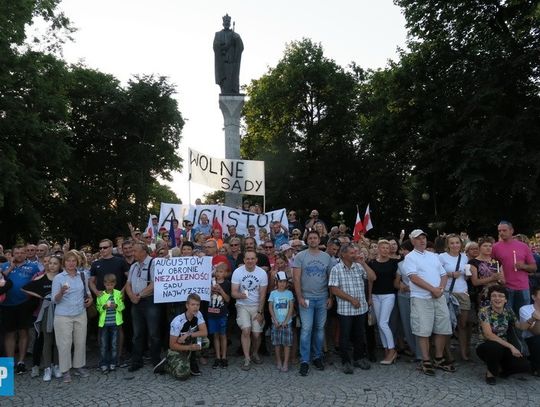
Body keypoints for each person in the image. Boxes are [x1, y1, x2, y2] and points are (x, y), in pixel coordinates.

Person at [402, 229, 454, 376]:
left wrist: (440, 289)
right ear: (412, 241)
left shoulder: (433, 256)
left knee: (442, 327)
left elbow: (443, 274)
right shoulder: (410, 257)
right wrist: (432, 289)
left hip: (438, 296)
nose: (422, 240)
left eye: (423, 238)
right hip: (421, 297)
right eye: (418, 238)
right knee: (423, 330)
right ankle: (425, 359)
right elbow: (414, 277)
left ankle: (438, 357)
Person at [329, 243, 376, 373]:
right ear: (343, 254)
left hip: (361, 309)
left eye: (355, 252)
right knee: (344, 336)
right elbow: (334, 289)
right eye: (352, 253)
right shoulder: (336, 269)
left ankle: (358, 358)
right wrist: (351, 299)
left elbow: (372, 278)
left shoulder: (359, 267)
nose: (355, 255)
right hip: (345, 310)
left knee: (359, 334)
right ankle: (346, 361)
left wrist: (364, 264)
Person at [293, 230, 333, 376]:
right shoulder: (300, 256)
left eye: (315, 238)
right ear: (307, 240)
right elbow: (296, 278)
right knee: (306, 329)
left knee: (320, 329)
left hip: (322, 297)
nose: (313, 240)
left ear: (319, 240)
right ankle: (304, 360)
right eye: (310, 238)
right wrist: (300, 298)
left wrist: (331, 297)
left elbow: (331, 279)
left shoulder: (326, 257)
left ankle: (317, 356)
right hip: (306, 298)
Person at [51, 250, 93, 383]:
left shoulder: (82, 275)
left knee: (80, 342)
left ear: (77, 262)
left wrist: (90, 299)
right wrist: (61, 292)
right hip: (63, 315)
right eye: (68, 261)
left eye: (73, 261)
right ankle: (65, 371)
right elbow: (54, 300)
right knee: (64, 344)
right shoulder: (59, 278)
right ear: (64, 263)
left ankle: (79, 366)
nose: (71, 263)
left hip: (80, 313)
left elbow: (87, 292)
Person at [476, 285, 531, 385]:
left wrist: (532, 319)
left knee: (524, 365)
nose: (497, 298)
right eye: (494, 296)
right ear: (490, 299)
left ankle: (502, 370)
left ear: (505, 300)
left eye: (501, 296)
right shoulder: (484, 312)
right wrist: (511, 347)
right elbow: (489, 335)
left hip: (503, 346)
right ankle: (490, 373)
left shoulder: (508, 311)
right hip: (485, 345)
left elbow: (521, 327)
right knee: (494, 346)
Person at [0, 244, 41, 374]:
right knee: (9, 333)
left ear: (25, 253)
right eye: (16, 253)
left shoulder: (33, 267)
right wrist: (10, 268)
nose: (19, 255)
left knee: (23, 332)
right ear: (12, 254)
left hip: (25, 303)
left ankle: (21, 362)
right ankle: (10, 362)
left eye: (22, 252)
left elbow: (38, 281)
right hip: (6, 304)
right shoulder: (4, 266)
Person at [21, 255, 62, 381]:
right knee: (47, 340)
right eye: (50, 263)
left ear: (60, 265)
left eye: (55, 263)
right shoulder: (41, 278)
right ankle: (47, 368)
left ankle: (56, 365)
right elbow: (24, 288)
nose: (52, 266)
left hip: (61, 311)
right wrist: (41, 296)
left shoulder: (62, 277)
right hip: (46, 312)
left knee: (58, 341)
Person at [153, 293, 210, 379]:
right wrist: (189, 347)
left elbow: (204, 332)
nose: (195, 307)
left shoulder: (198, 314)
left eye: (197, 305)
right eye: (193, 304)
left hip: (188, 342)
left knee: (205, 341)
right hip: (177, 349)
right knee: (182, 374)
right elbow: (172, 345)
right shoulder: (177, 322)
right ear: (187, 305)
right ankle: (166, 364)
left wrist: (188, 334)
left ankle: (192, 359)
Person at [125, 242, 161, 372]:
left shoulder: (153, 263)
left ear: (144, 252)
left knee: (153, 333)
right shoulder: (134, 266)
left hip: (149, 301)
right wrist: (131, 296)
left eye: (135, 251)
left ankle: (156, 360)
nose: (132, 253)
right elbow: (128, 283)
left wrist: (139, 295)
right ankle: (137, 361)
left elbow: (155, 283)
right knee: (137, 334)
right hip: (136, 302)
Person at [231, 250, 268, 371]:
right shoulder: (237, 272)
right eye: (248, 259)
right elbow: (233, 292)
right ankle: (247, 358)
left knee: (257, 334)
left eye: (252, 259)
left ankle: (255, 353)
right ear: (244, 260)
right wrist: (241, 295)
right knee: (246, 330)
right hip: (242, 305)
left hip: (257, 305)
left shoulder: (262, 273)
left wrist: (260, 312)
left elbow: (263, 295)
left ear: (256, 260)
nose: (250, 261)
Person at [492, 221, 537, 315]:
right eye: (499, 231)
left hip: (522, 287)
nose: (501, 233)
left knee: (523, 315)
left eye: (504, 230)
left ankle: (521, 330)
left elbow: (534, 268)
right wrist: (498, 277)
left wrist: (523, 266)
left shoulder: (523, 246)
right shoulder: (495, 247)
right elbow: (493, 266)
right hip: (505, 287)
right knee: (506, 316)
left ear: (511, 231)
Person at [438, 234, 471, 361]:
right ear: (448, 245)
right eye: (452, 243)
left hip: (462, 292)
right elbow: (436, 272)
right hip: (448, 293)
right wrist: (450, 274)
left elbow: (466, 274)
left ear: (461, 244)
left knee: (462, 324)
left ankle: (463, 353)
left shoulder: (464, 257)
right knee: (448, 325)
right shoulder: (442, 257)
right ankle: (448, 353)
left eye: (457, 242)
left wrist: (467, 275)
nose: (455, 245)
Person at [368, 239, 399, 364]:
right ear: (379, 249)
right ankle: (386, 350)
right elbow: (370, 280)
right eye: (383, 248)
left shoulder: (394, 263)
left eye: (387, 248)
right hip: (375, 295)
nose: (385, 250)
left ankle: (392, 350)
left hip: (388, 295)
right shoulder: (372, 263)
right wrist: (369, 296)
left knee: (383, 322)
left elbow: (398, 278)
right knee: (380, 325)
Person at [395, 239, 422, 361]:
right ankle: (414, 351)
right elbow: (396, 282)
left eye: (405, 249)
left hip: (419, 295)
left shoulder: (422, 261)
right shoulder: (401, 264)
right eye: (402, 250)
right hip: (404, 296)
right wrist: (400, 285)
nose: (403, 252)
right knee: (407, 324)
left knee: (420, 324)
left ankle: (422, 352)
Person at [96, 273, 125, 374]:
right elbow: (98, 308)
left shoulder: (118, 294)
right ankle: (104, 363)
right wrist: (104, 307)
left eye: (111, 284)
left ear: (115, 284)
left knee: (114, 344)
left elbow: (122, 307)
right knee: (104, 344)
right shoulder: (101, 295)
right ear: (104, 284)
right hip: (104, 323)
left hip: (115, 323)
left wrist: (116, 305)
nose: (109, 286)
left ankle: (113, 362)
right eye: (107, 284)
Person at [268, 271, 294, 372]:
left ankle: (286, 362)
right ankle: (278, 360)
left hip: (287, 323)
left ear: (287, 283)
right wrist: (274, 320)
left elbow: (291, 308)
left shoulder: (289, 293)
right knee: (277, 344)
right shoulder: (273, 293)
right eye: (280, 281)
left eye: (284, 281)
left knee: (287, 344)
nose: (282, 284)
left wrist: (286, 321)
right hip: (276, 323)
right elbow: (270, 307)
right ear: (276, 282)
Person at [469, 236, 505, 307]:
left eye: (490, 246)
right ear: (479, 248)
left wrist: (501, 279)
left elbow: (503, 281)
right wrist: (492, 278)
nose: (488, 248)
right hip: (482, 294)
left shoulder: (497, 262)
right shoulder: (473, 262)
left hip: (497, 294)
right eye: (485, 246)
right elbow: (475, 282)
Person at [208, 262, 231, 369]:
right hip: (211, 313)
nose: (218, 274)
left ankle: (224, 357)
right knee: (215, 335)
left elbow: (228, 299)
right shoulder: (210, 283)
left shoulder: (227, 284)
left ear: (225, 273)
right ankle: (217, 357)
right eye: (217, 271)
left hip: (222, 313)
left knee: (223, 335)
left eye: (221, 272)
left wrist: (221, 290)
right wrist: (210, 291)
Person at [213, 14, 244, 94]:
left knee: (233, 81)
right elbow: (215, 47)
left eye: (228, 21)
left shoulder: (235, 35)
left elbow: (241, 47)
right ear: (223, 23)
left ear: (230, 23)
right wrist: (223, 46)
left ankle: (234, 91)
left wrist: (237, 40)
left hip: (232, 63)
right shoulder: (218, 34)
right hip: (223, 64)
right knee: (225, 85)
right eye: (225, 21)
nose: (227, 23)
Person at [519, 286, 540, 376]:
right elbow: (535, 332)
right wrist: (537, 319)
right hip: (531, 340)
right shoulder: (525, 309)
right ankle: (537, 368)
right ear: (533, 297)